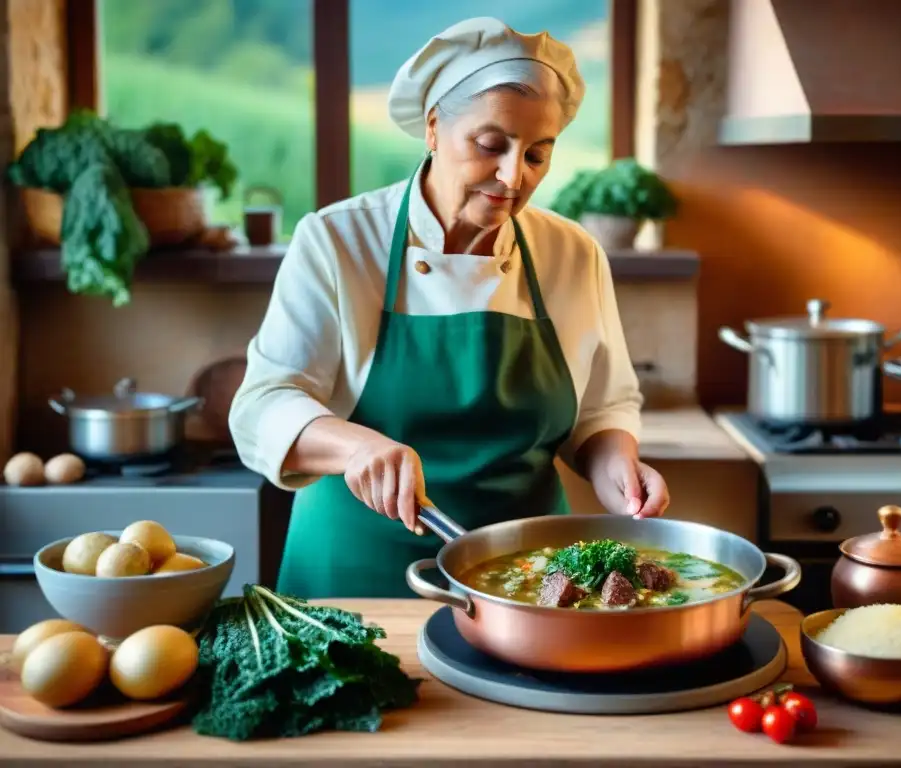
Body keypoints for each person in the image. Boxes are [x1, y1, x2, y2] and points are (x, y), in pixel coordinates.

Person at [228, 17, 670, 599]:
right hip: (356, 577)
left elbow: (601, 411)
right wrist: (359, 446)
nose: (514, 176)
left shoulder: (573, 254)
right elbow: (260, 406)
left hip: (527, 578)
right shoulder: (338, 240)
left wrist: (619, 470)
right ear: (434, 126)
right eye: (490, 145)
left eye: (538, 155)